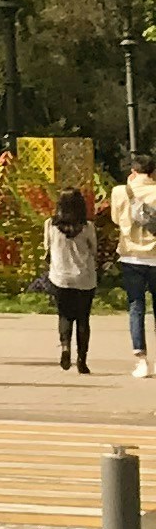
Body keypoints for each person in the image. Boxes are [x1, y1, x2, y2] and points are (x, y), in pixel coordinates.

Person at [110, 153, 156, 379]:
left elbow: (116, 220)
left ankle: (141, 361)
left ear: (134, 171)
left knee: (136, 307)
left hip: (131, 257)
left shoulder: (120, 192)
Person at [49, 186, 101, 374]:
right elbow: (93, 250)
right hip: (84, 278)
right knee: (83, 319)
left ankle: (65, 347)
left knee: (64, 315)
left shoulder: (50, 225)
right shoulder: (87, 227)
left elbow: (47, 248)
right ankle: (82, 360)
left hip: (60, 277)